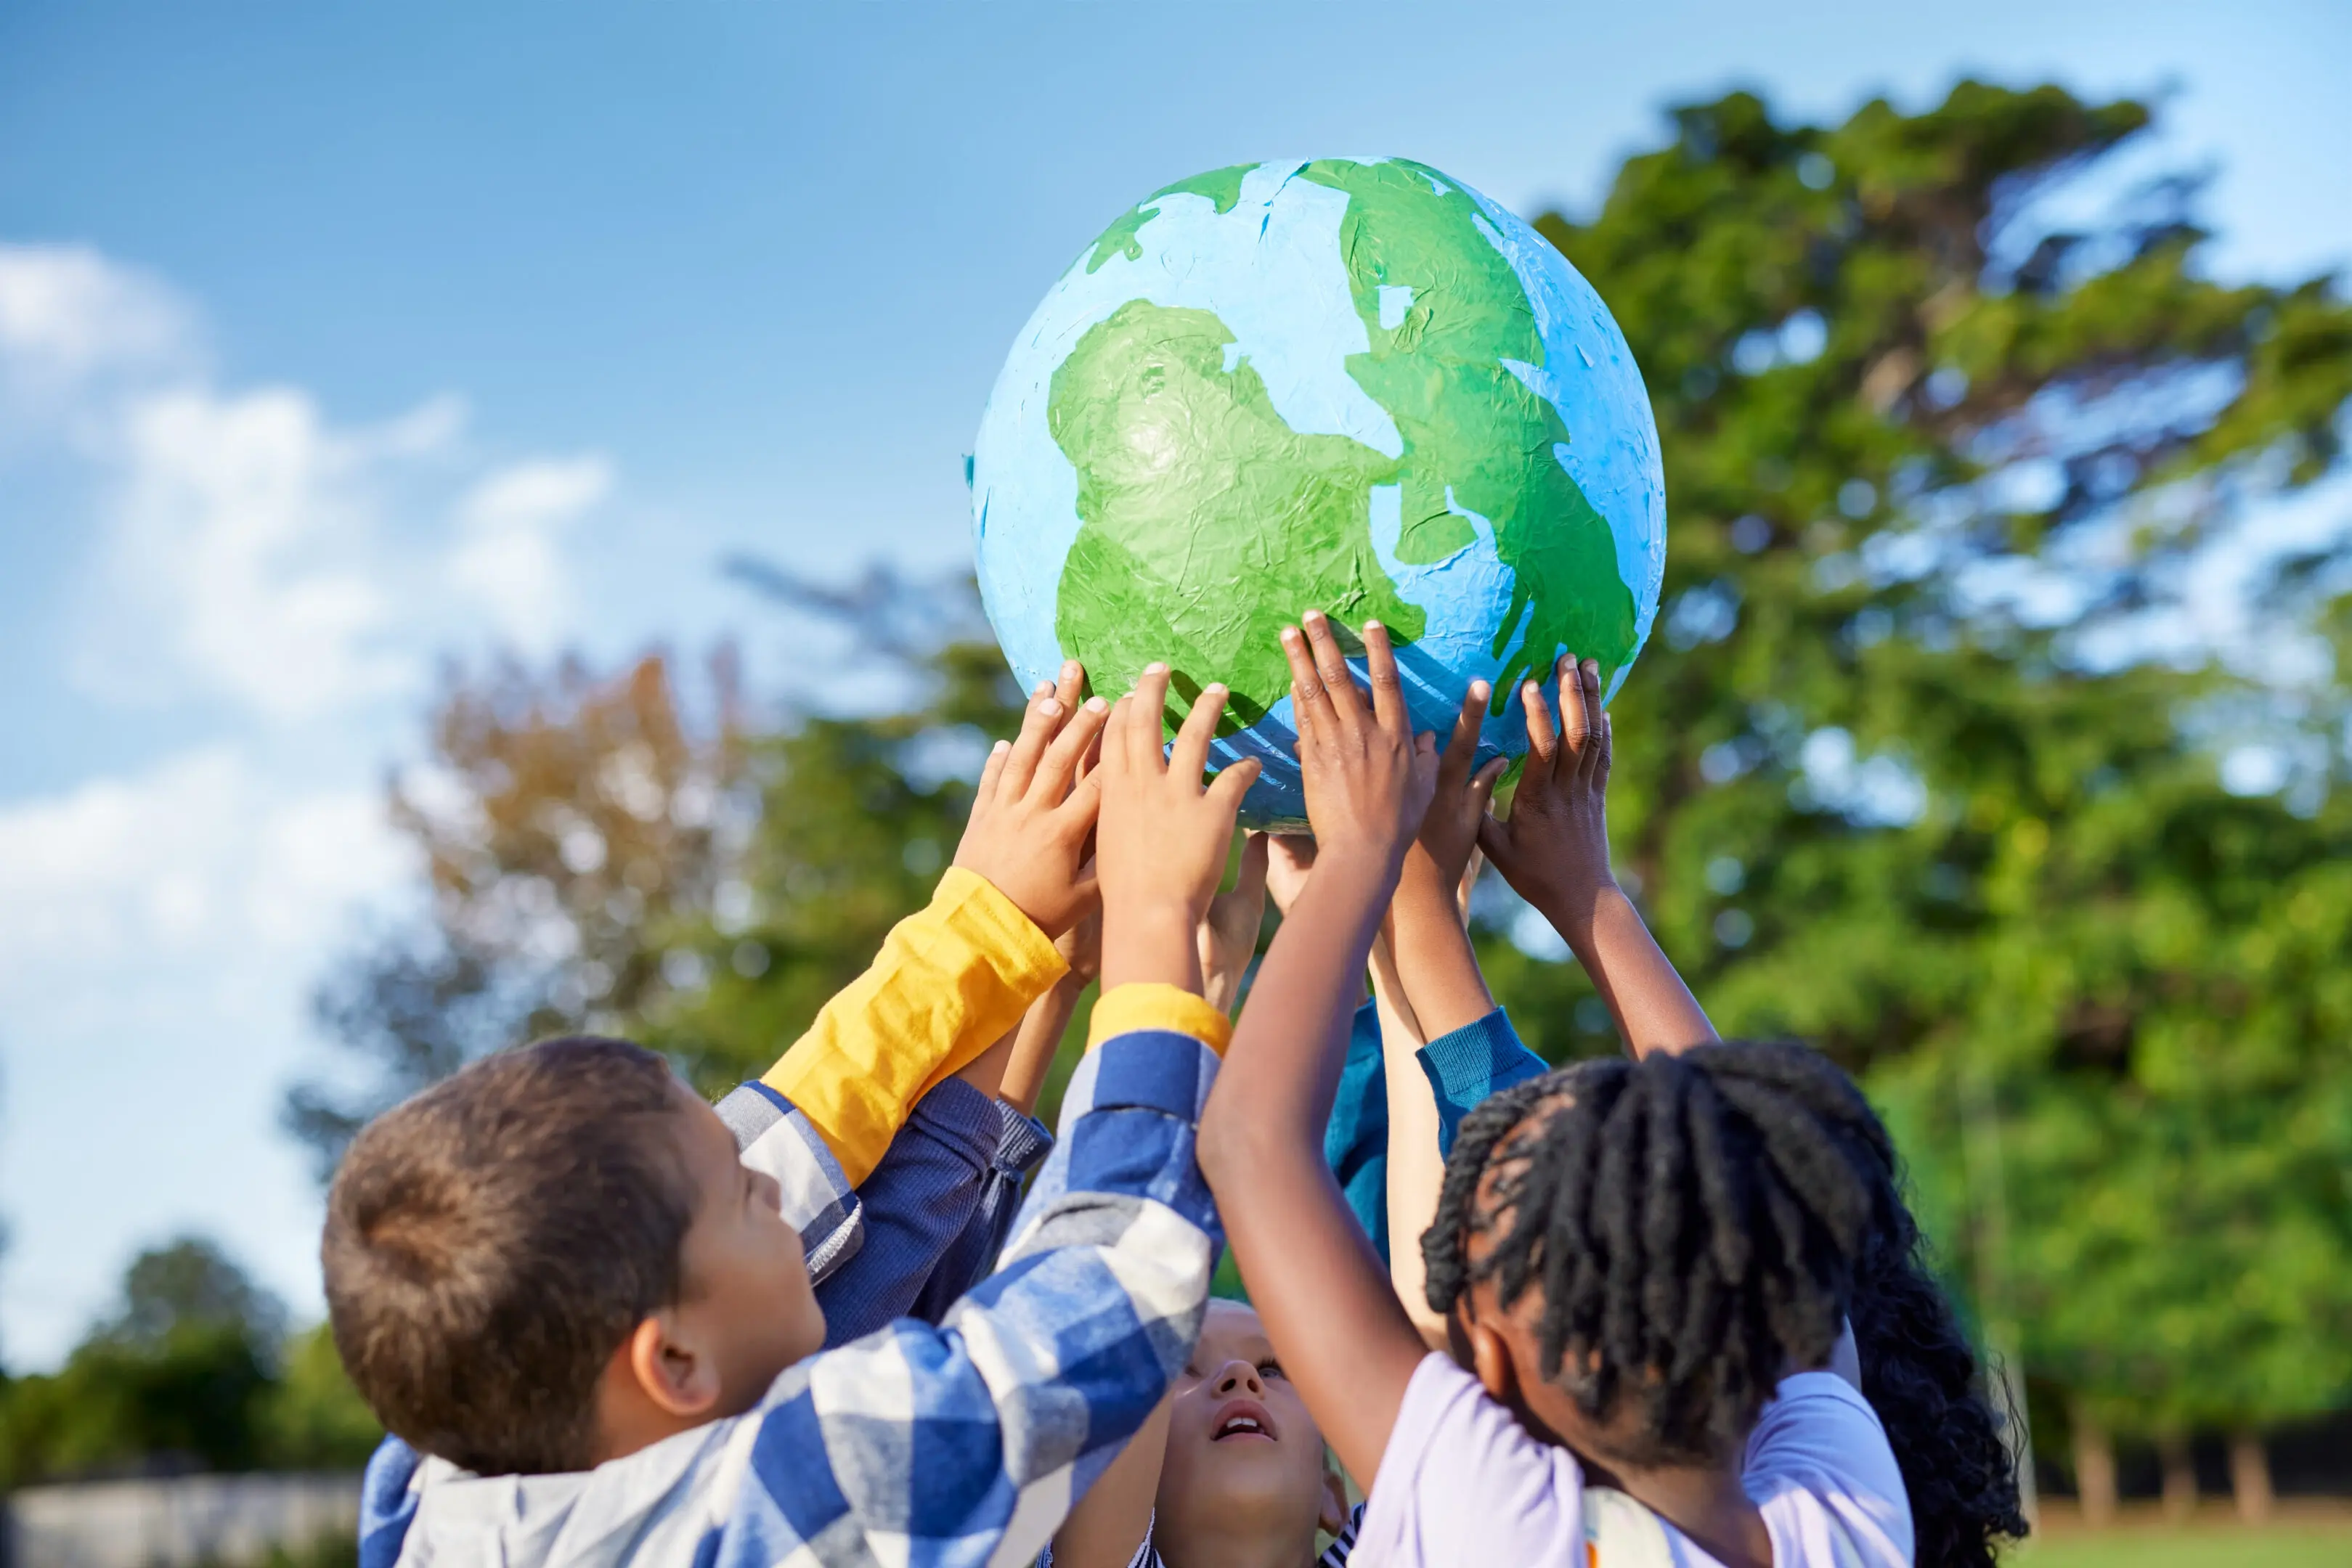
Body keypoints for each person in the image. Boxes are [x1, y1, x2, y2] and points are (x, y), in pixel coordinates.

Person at [329, 663, 1258, 1568]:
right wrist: (1153, 926)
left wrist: (984, 933)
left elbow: (808, 1234)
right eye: (746, 1197)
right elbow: (1102, 1300)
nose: (787, 1191)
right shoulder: (809, 1502)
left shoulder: (442, 1478)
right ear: (674, 1363)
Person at [1198, 611, 1914, 1568]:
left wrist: (1381, 860)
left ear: (1483, 1364)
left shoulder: (1497, 1522)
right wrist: (1575, 897)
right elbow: (1253, 1146)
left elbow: (1250, 1145)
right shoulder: (1845, 1519)